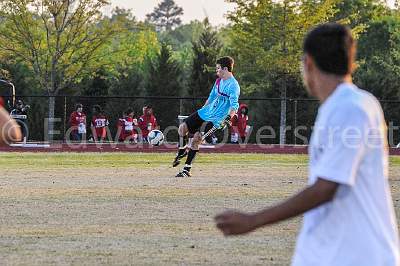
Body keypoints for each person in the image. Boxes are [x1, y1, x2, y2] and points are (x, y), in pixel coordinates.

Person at [214, 23, 400, 266]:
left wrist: (254, 220)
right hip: (334, 252)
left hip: (355, 255)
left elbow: (326, 187)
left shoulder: (349, 108)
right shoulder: (348, 104)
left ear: (308, 63)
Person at [173, 56, 240, 177]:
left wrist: (229, 117)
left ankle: (186, 170)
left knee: (196, 139)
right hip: (206, 112)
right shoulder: (218, 81)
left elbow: (235, 105)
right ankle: (182, 150)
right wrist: (202, 110)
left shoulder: (234, 85)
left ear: (225, 69)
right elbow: (211, 96)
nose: (217, 70)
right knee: (182, 128)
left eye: (218, 68)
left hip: (217, 119)